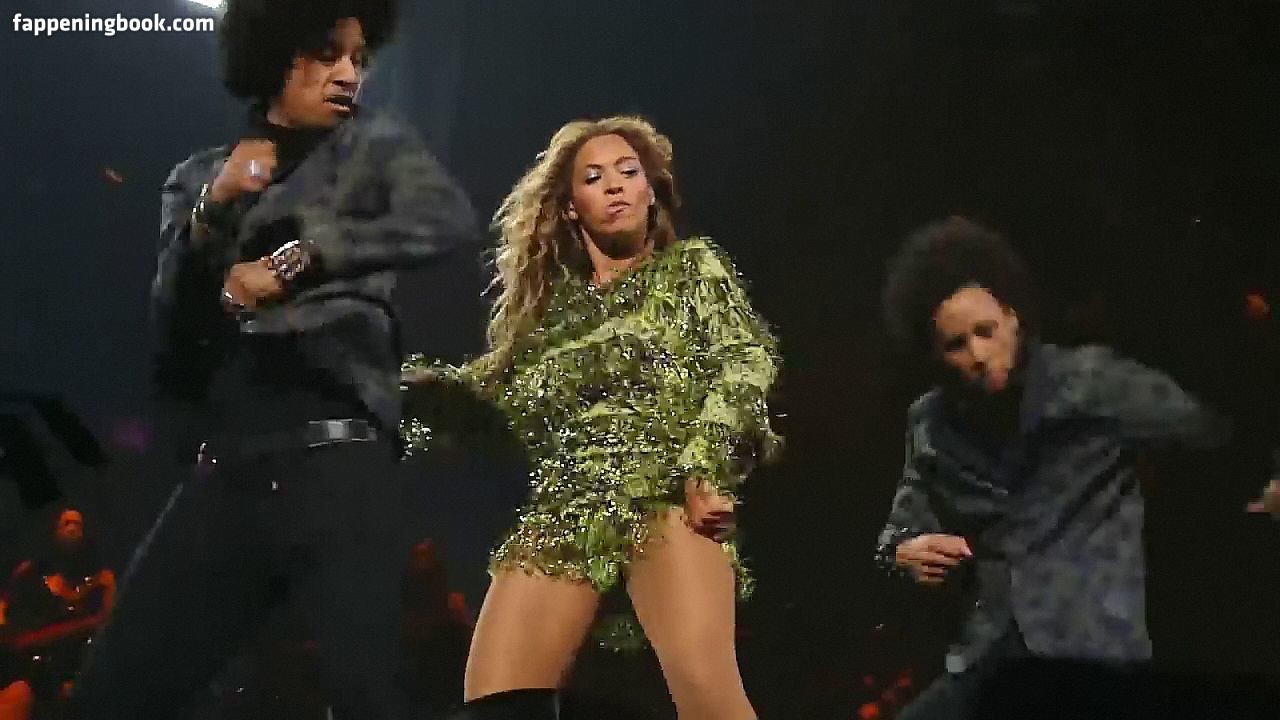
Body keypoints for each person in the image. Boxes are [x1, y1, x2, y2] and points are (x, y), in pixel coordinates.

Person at [73, 1, 476, 718]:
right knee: (111, 694)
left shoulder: (375, 148)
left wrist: (300, 259)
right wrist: (214, 210)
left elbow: (446, 219)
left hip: (340, 463)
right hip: (227, 470)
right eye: (327, 54)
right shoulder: (197, 177)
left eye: (359, 58)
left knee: (369, 694)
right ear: (271, 55)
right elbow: (171, 333)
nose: (348, 74)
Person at [403, 116, 781, 719]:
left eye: (628, 172)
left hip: (665, 497)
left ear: (651, 192)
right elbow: (480, 399)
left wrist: (707, 466)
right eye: (594, 177)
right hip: (567, 510)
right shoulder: (550, 318)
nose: (615, 186)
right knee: (496, 704)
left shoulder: (691, 270)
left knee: (709, 695)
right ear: (570, 207)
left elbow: (743, 363)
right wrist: (387, 390)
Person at [874, 217, 1229, 719]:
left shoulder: (1090, 383)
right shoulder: (930, 425)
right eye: (956, 345)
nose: (978, 355)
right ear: (934, 353)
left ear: (1013, 318)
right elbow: (898, 533)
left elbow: (1209, 429)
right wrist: (904, 552)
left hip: (1093, 658)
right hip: (991, 662)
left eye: (986, 332)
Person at [0, 509, 114, 720]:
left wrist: (108, 590)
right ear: (54, 530)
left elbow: (106, 626)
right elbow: (5, 601)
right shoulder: (30, 571)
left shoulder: (90, 588)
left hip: (44, 680)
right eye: (67, 523)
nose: (72, 529)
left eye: (78, 525)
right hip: (11, 660)